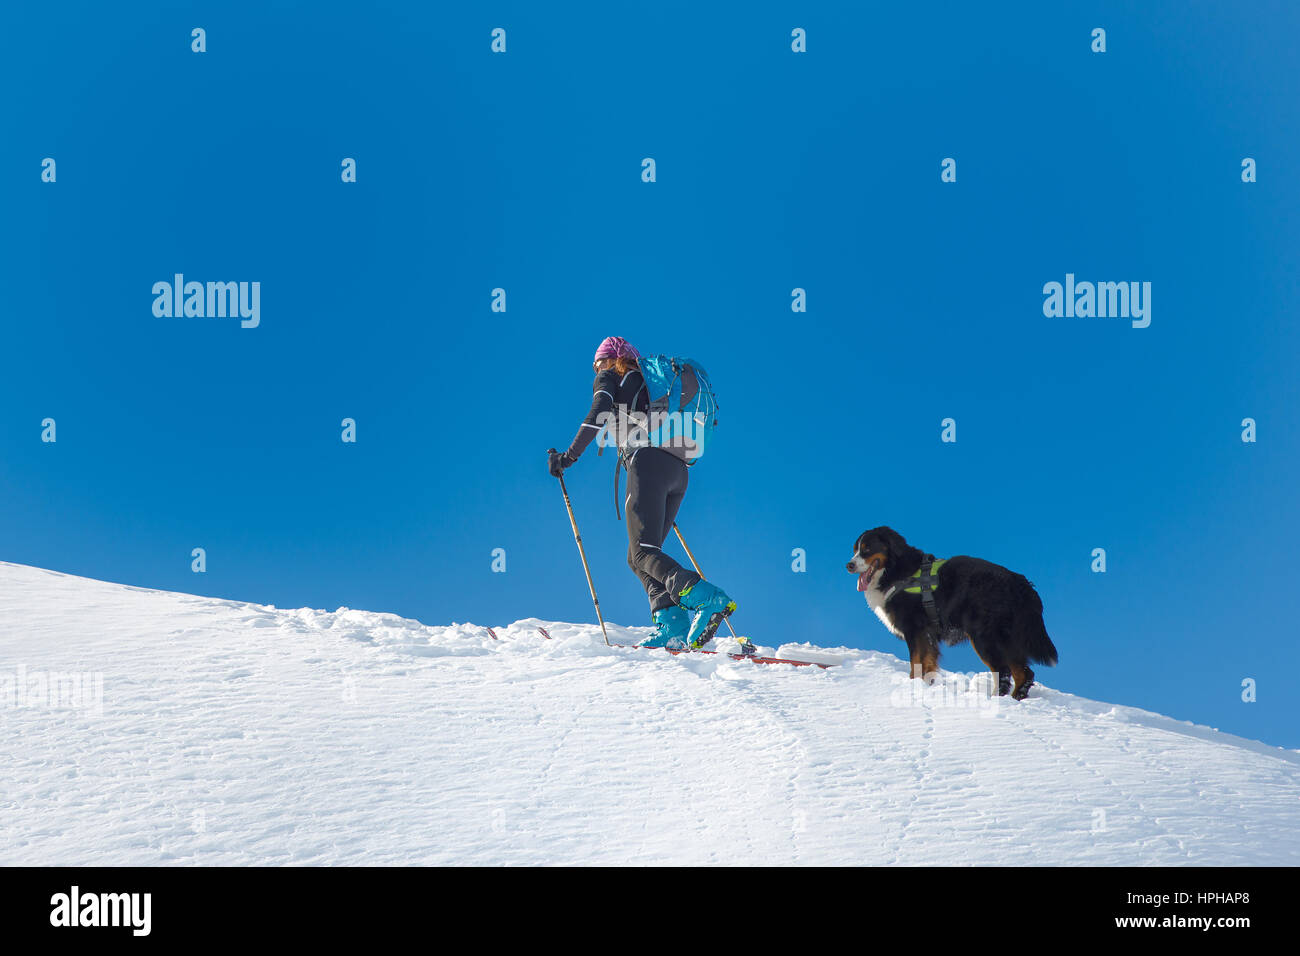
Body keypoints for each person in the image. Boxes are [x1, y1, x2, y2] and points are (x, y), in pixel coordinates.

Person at [548, 336, 736, 649]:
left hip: (647, 463)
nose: (597, 370)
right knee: (639, 556)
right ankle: (672, 624)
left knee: (643, 552)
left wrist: (567, 457)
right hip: (677, 471)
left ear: (610, 360)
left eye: (598, 363)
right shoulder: (650, 387)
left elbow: (598, 412)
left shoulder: (613, 376)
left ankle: (707, 598)